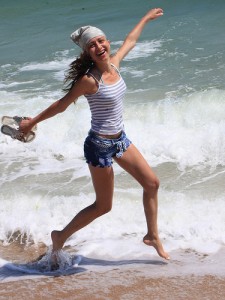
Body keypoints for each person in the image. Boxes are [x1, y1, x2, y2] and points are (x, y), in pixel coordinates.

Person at [20, 7, 170, 261]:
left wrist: (145, 17)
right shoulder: (90, 80)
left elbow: (131, 40)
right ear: (87, 52)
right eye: (92, 45)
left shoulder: (114, 64)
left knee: (152, 183)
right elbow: (62, 104)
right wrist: (32, 122)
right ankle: (60, 236)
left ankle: (152, 235)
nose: (99, 46)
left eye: (101, 41)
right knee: (104, 206)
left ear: (107, 42)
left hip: (120, 140)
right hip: (99, 145)